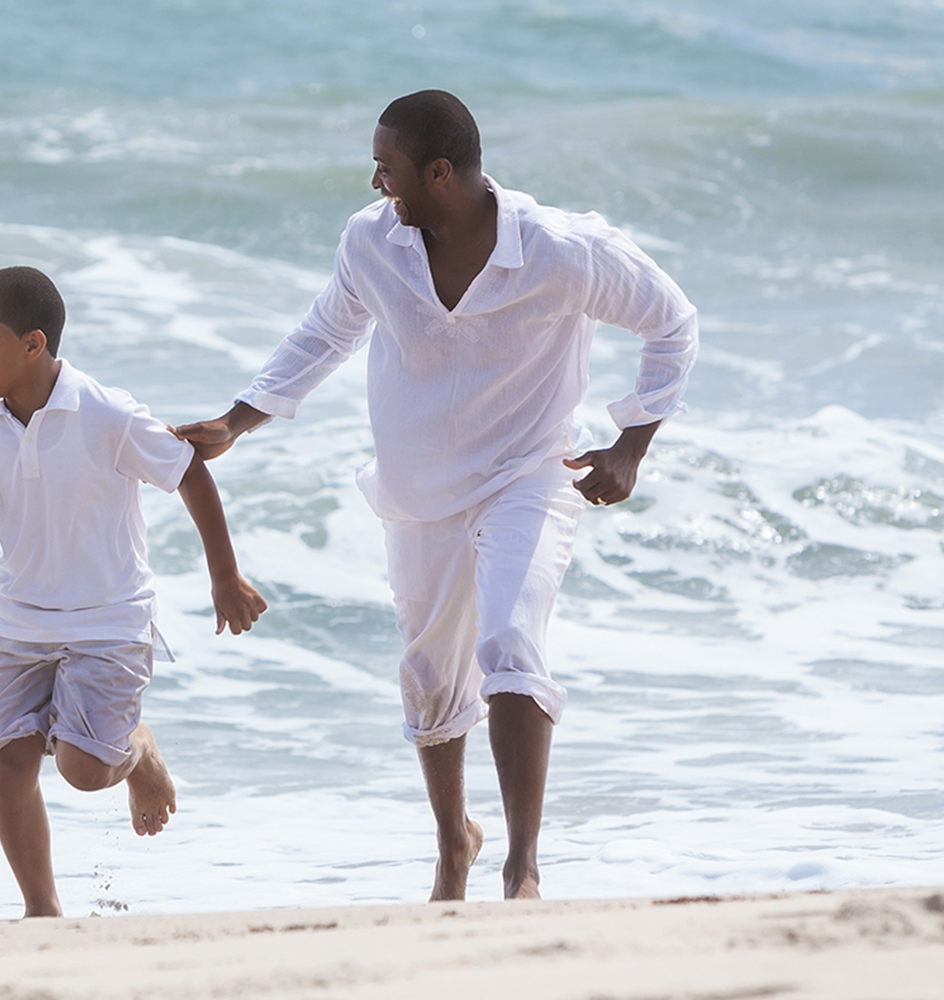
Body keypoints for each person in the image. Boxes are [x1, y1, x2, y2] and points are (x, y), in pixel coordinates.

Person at [174, 90, 698, 901]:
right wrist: (239, 422)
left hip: (526, 477)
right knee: (429, 679)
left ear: (440, 173)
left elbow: (672, 322)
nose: (376, 181)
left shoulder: (562, 250)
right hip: (418, 490)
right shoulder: (372, 242)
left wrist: (631, 445)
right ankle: (455, 843)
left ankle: (522, 869)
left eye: (388, 167)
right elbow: (326, 331)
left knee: (511, 644)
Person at [0, 265, 269, 919]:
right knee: (4, 763)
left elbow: (189, 470)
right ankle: (42, 908)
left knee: (84, 771)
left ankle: (137, 750)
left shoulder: (105, 413)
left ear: (33, 343)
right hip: (19, 620)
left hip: (109, 619)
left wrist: (223, 575)